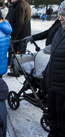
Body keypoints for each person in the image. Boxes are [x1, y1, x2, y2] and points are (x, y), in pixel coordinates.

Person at [45, 2, 65, 136]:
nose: (61, 18)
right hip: (53, 86)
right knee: (52, 120)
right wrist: (46, 74)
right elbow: (54, 58)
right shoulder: (60, 31)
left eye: (64, 15)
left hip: (63, 90)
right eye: (60, 14)